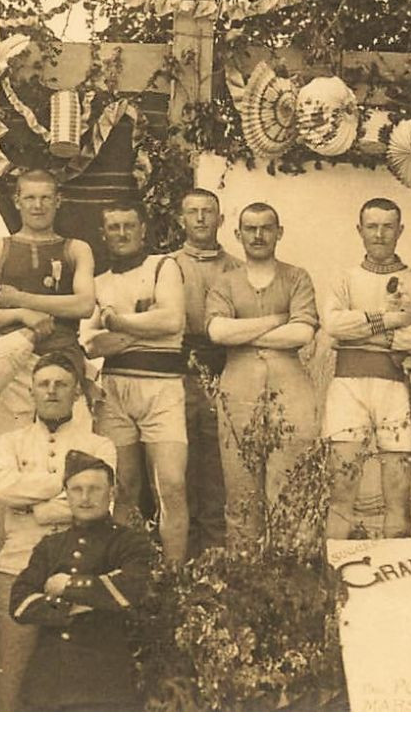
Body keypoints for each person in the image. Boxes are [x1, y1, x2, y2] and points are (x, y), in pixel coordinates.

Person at [0, 351, 118, 712]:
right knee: (9, 677)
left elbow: (98, 504)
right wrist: (64, 484)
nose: (51, 391)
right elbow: (1, 489)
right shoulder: (8, 443)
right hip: (17, 567)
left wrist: (32, 505)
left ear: (77, 392)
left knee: (78, 681)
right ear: (31, 391)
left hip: (78, 572)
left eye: (61, 384)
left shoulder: (99, 445)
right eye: (43, 384)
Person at [320, 198, 411, 540]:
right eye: (372, 226)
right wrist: (389, 322)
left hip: (396, 386)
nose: (380, 234)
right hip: (348, 386)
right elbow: (333, 324)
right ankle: (334, 573)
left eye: (388, 226)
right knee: (342, 486)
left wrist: (376, 340)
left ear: (400, 230)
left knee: (397, 491)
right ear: (359, 230)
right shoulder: (345, 278)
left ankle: (396, 581)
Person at [204, 202, 319, 541]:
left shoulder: (296, 277)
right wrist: (275, 320)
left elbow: (303, 333)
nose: (258, 235)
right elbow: (218, 333)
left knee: (289, 489)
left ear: (278, 233)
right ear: (238, 234)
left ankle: (288, 576)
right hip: (238, 393)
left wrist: (244, 330)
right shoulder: (225, 282)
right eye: (250, 229)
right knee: (241, 492)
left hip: (290, 394)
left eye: (266, 228)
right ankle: (245, 580)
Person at [83, 202, 189, 565]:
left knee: (171, 485)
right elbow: (90, 342)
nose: (123, 233)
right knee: (123, 487)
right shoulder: (98, 283)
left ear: (143, 230)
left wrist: (116, 323)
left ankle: (175, 579)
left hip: (163, 389)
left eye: (129, 225)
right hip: (114, 388)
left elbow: (172, 321)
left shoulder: (164, 266)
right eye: (114, 227)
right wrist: (141, 325)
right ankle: (126, 574)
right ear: (104, 234)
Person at [9, 449, 155, 712]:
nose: (85, 498)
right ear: (66, 493)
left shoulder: (129, 541)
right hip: (48, 685)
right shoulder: (50, 546)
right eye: (77, 489)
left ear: (111, 493)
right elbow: (19, 602)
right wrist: (74, 606)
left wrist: (67, 585)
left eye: (94, 489)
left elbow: (133, 588)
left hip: (103, 685)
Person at [0, 169, 97, 443]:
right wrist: (21, 313)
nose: (38, 206)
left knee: (65, 456)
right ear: (17, 201)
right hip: (11, 367)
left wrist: (22, 298)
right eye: (30, 198)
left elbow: (85, 305)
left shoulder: (76, 249)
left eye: (46, 198)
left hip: (62, 364)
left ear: (58, 201)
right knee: (9, 453)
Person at [169, 188, 237, 555]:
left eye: (207, 211)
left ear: (220, 219)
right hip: (178, 374)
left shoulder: (239, 269)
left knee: (217, 469)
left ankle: (216, 560)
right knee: (180, 469)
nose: (200, 219)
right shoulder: (166, 266)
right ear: (181, 218)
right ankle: (184, 562)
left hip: (224, 373)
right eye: (192, 211)